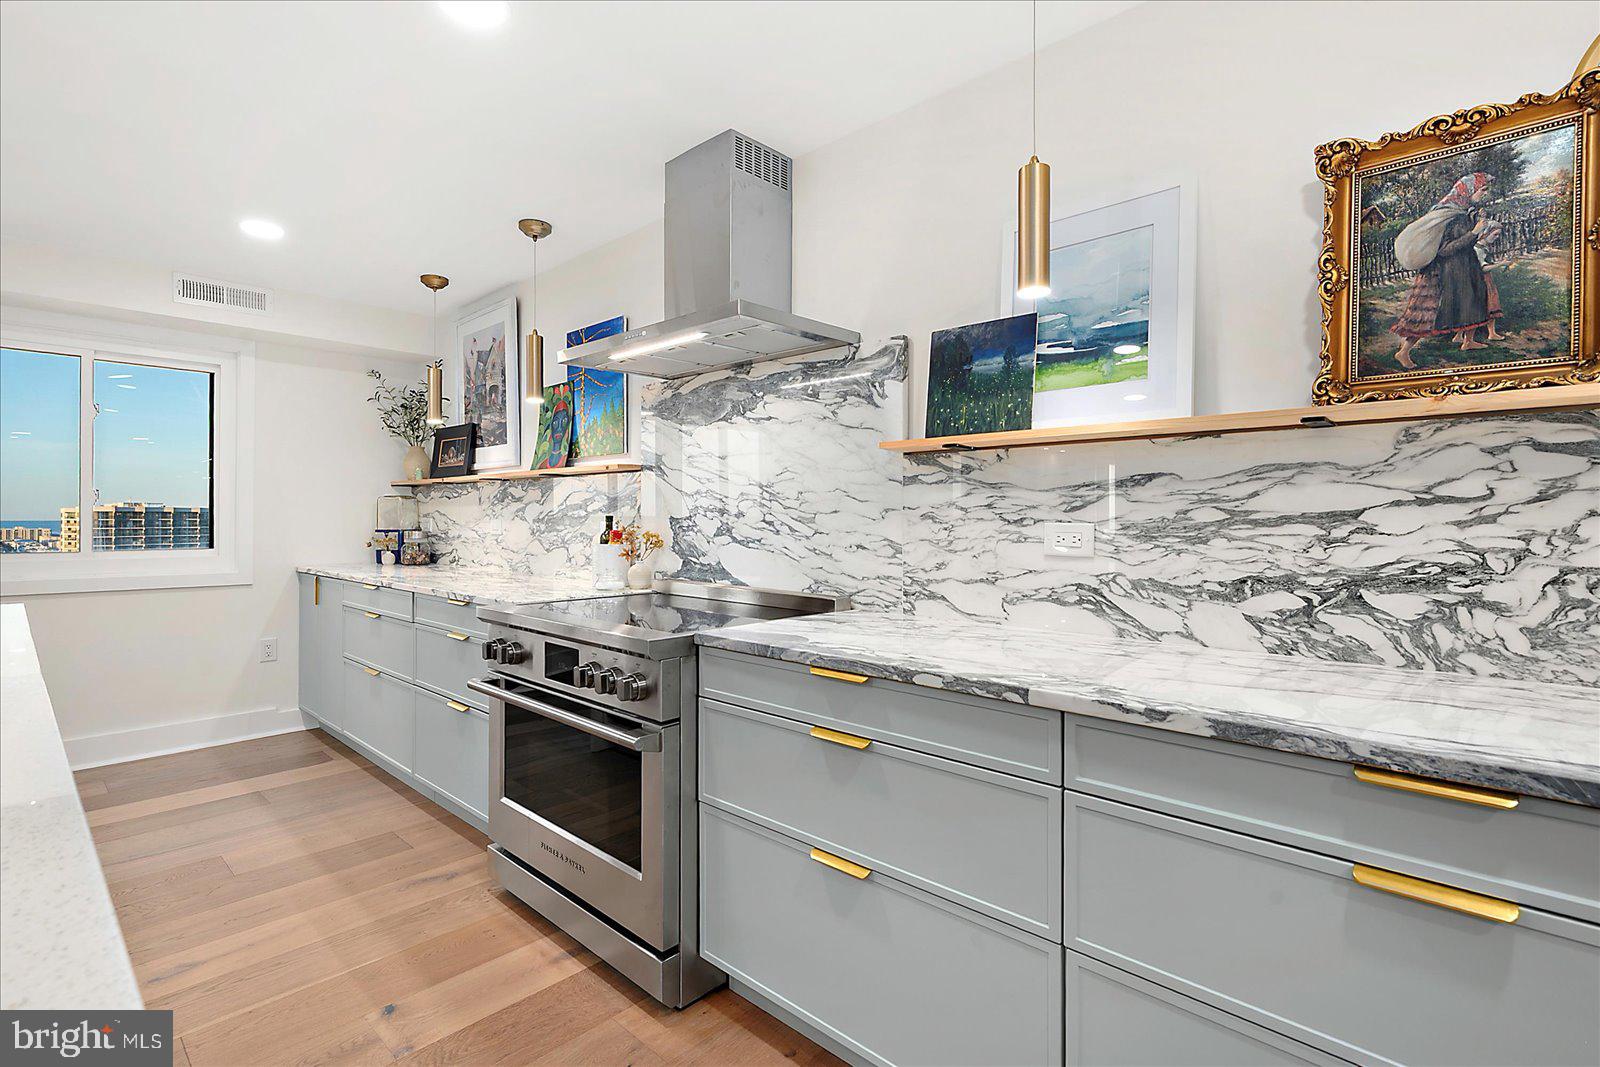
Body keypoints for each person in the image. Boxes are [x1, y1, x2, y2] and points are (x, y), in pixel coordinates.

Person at [1390, 173, 1496, 367]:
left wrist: (1478, 232)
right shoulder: (1453, 217)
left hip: (1463, 268)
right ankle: (1403, 352)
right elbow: (1445, 249)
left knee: (1473, 302)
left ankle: (1468, 341)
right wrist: (1474, 232)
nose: (1484, 194)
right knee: (1426, 314)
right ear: (1469, 191)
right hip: (1443, 273)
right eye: (1482, 190)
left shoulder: (1465, 212)